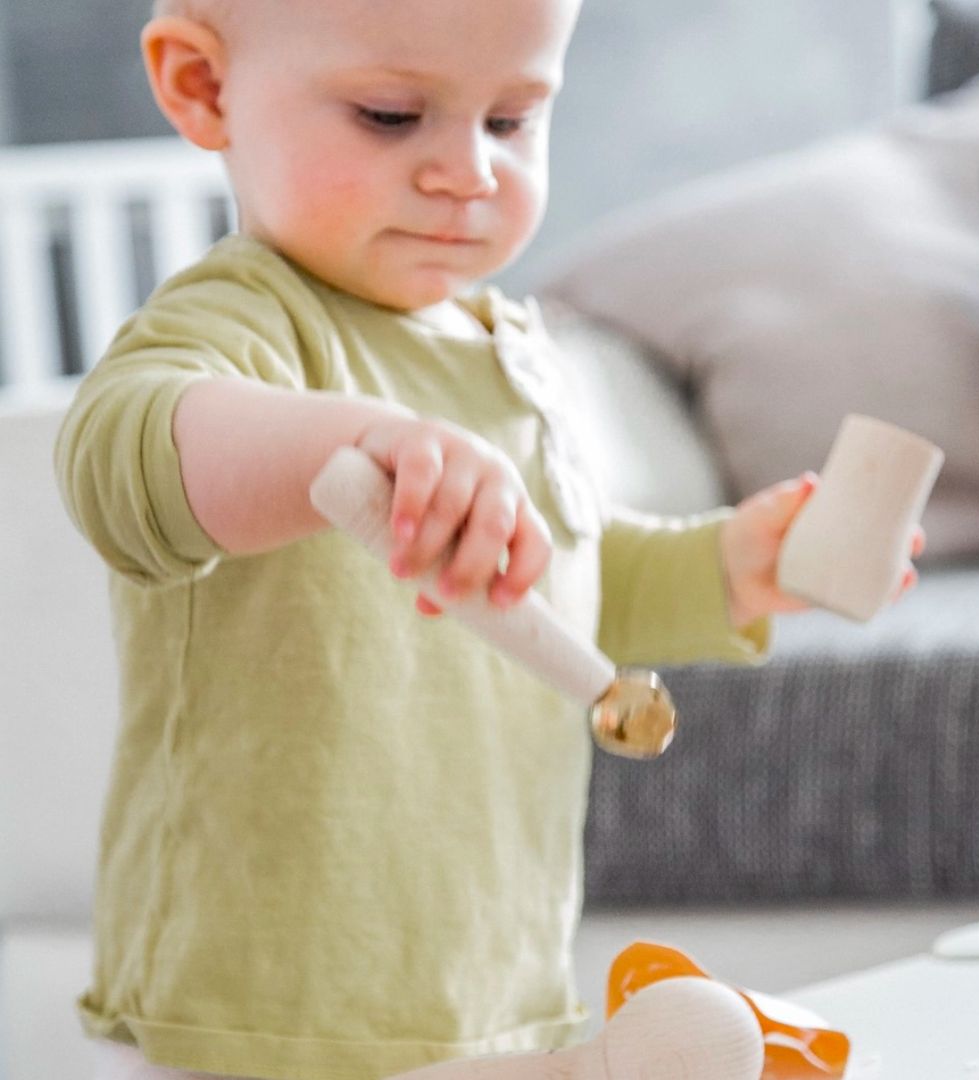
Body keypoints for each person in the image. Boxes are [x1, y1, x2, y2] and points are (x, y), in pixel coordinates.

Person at [56, 1, 923, 1078]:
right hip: (262, 1001)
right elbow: (121, 454)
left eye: (511, 122)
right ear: (204, 87)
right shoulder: (248, 322)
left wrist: (728, 567)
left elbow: (561, 585)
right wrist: (351, 438)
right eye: (390, 115)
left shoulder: (513, 349)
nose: (468, 173)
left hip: (483, 979)